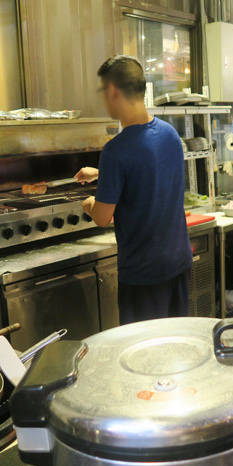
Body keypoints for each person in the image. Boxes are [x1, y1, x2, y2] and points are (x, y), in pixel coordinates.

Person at [76, 55, 192, 325]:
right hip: (178, 262)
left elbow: (103, 217)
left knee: (145, 360)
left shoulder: (116, 150)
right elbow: (149, 174)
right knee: (175, 347)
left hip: (144, 274)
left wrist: (91, 202)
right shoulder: (170, 134)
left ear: (113, 91)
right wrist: (104, 176)